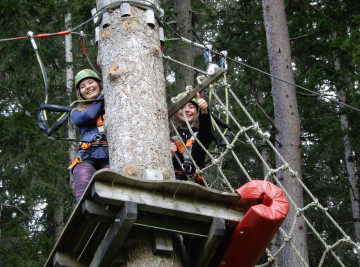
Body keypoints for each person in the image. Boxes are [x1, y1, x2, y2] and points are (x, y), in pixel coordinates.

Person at [68, 69, 109, 203]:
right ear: (79, 92)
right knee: (84, 199)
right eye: (83, 86)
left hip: (110, 156)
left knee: (112, 193)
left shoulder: (113, 105)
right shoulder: (77, 111)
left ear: (99, 83)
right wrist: (102, 96)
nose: (88, 87)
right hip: (86, 156)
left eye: (91, 82)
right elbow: (90, 115)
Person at [170, 91, 213, 185]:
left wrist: (204, 110)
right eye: (182, 107)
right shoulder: (169, 136)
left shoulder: (200, 135)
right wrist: (168, 155)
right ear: (176, 113)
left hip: (196, 185)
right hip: (172, 183)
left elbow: (207, 130)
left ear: (197, 113)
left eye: (191, 107)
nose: (187, 110)